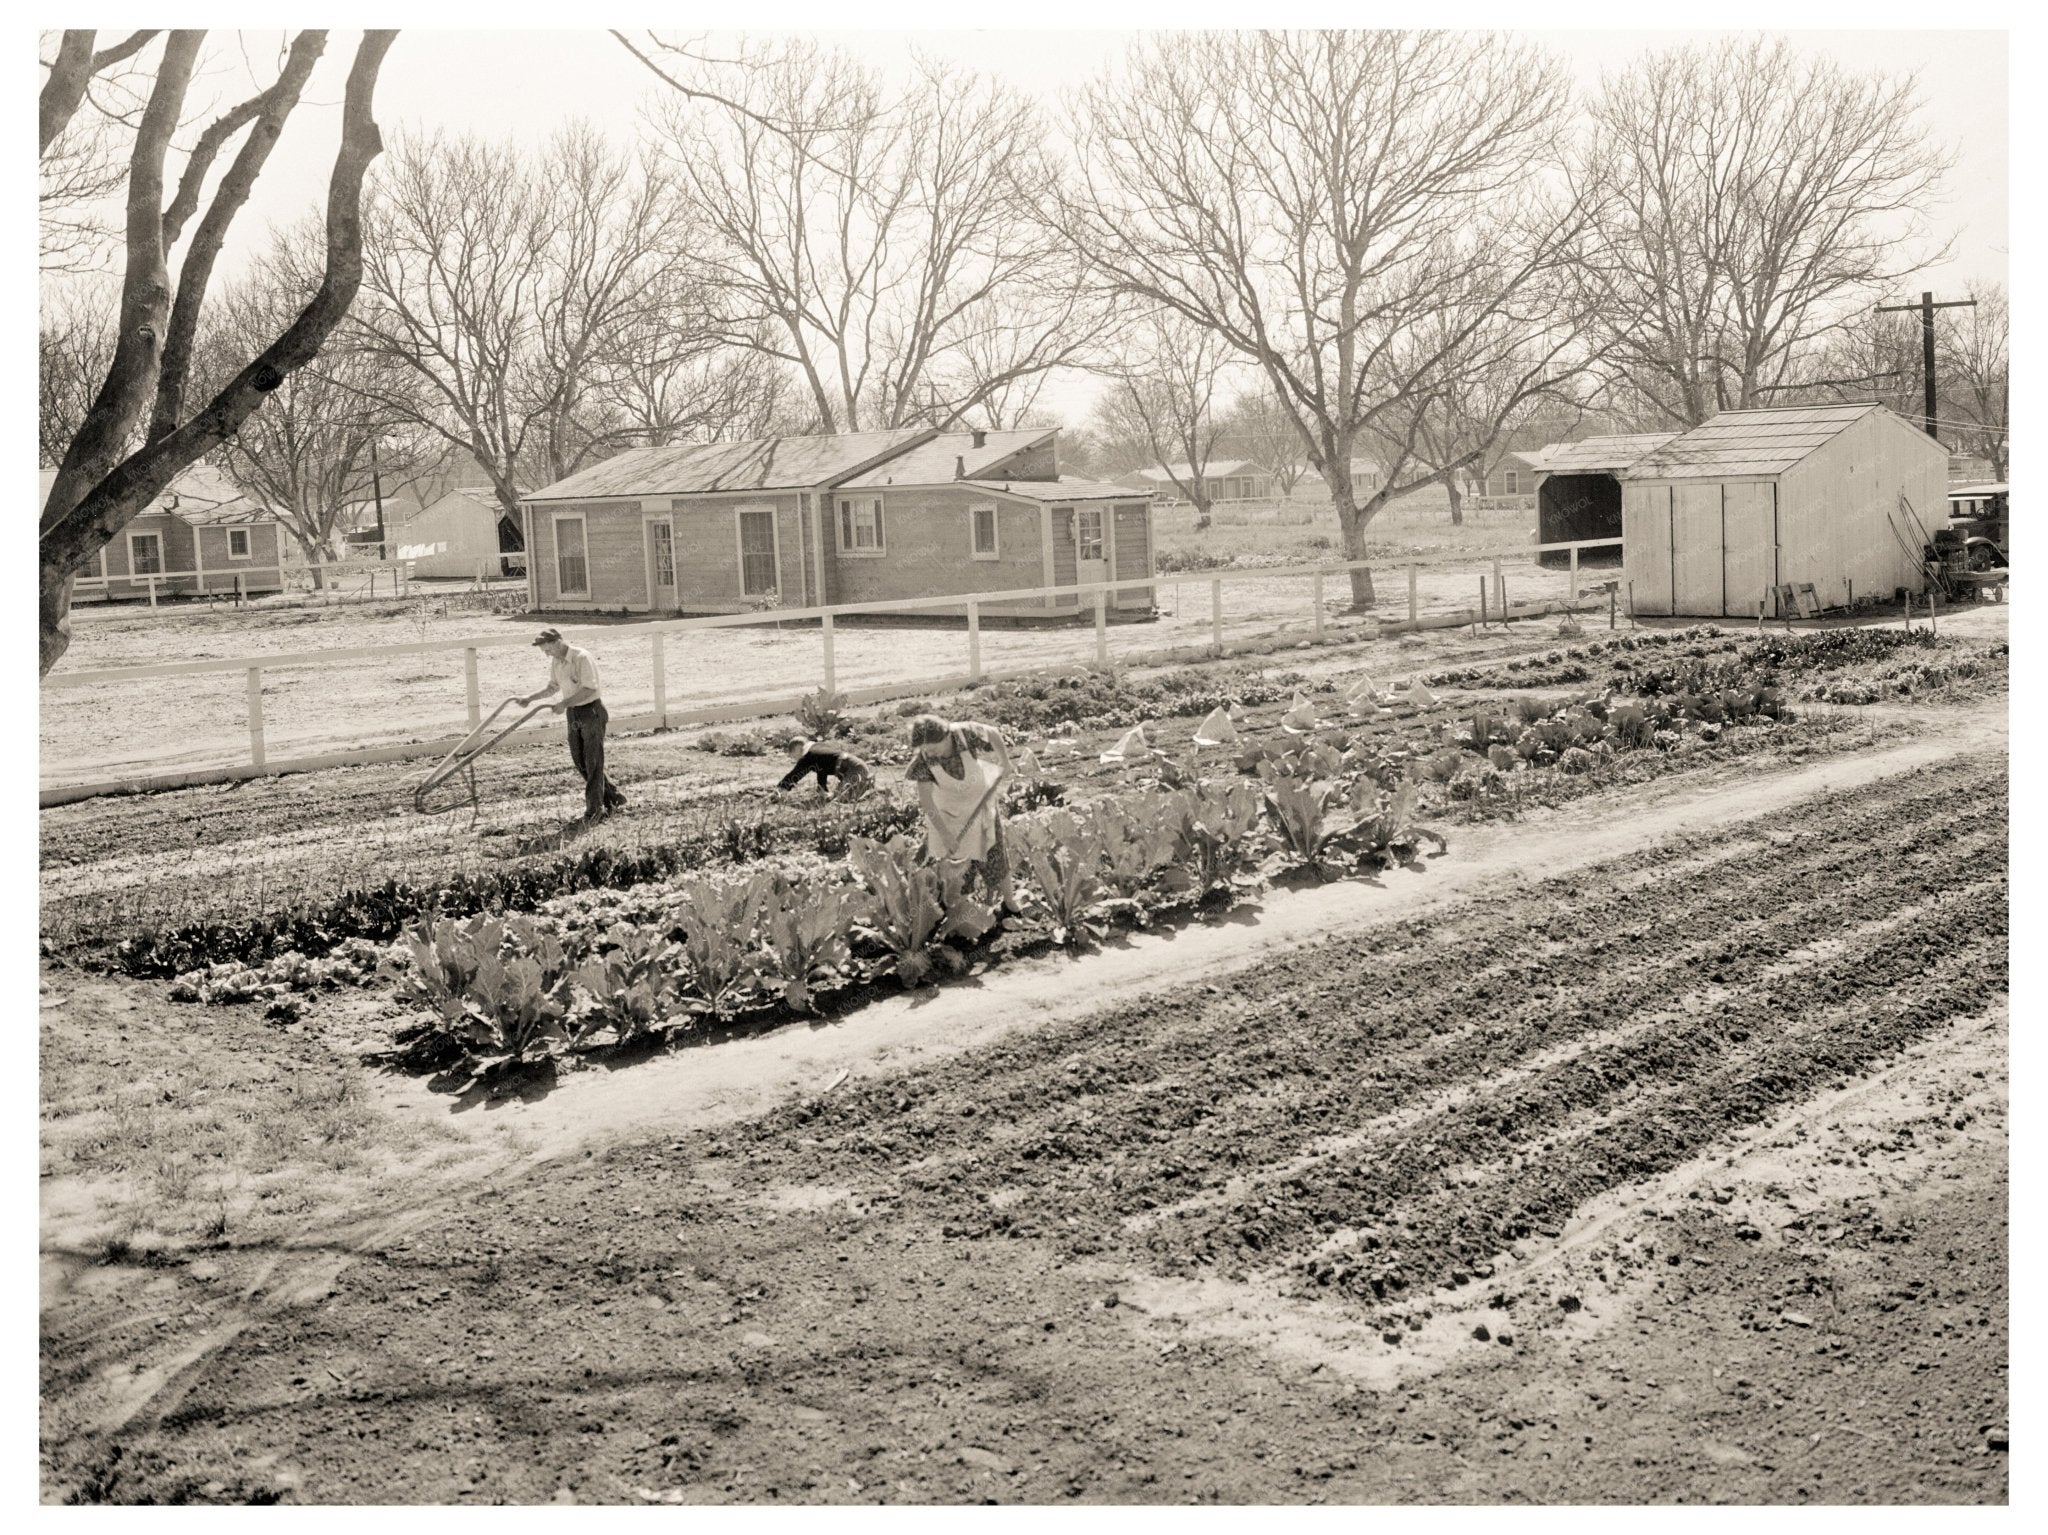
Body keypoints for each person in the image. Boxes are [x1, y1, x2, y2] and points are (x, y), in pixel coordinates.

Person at [904, 713, 1018, 911]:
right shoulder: (923, 761)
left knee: (995, 853)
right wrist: (945, 835)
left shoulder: (965, 734)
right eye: (924, 749)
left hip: (981, 804)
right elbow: (927, 802)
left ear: (945, 736)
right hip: (949, 815)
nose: (929, 752)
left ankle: (1009, 903)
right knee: (959, 866)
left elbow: (993, 733)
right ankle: (959, 912)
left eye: (932, 748)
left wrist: (1005, 762)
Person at [519, 627, 625, 825]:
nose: (546, 654)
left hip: (591, 711)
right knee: (580, 760)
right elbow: (552, 687)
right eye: (544, 651)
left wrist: (564, 703)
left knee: (593, 761)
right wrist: (529, 698)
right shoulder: (557, 661)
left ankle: (594, 811)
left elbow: (589, 689)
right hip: (574, 713)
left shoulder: (581, 658)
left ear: (557, 642)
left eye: (547, 649)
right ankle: (615, 797)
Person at [776, 737, 873, 800]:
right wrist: (822, 788)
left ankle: (865, 787)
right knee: (845, 793)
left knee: (838, 798)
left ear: (797, 748)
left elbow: (796, 774)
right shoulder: (819, 748)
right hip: (859, 765)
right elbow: (821, 769)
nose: (796, 760)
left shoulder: (809, 755)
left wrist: (780, 789)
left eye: (794, 756)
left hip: (853, 769)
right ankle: (866, 785)